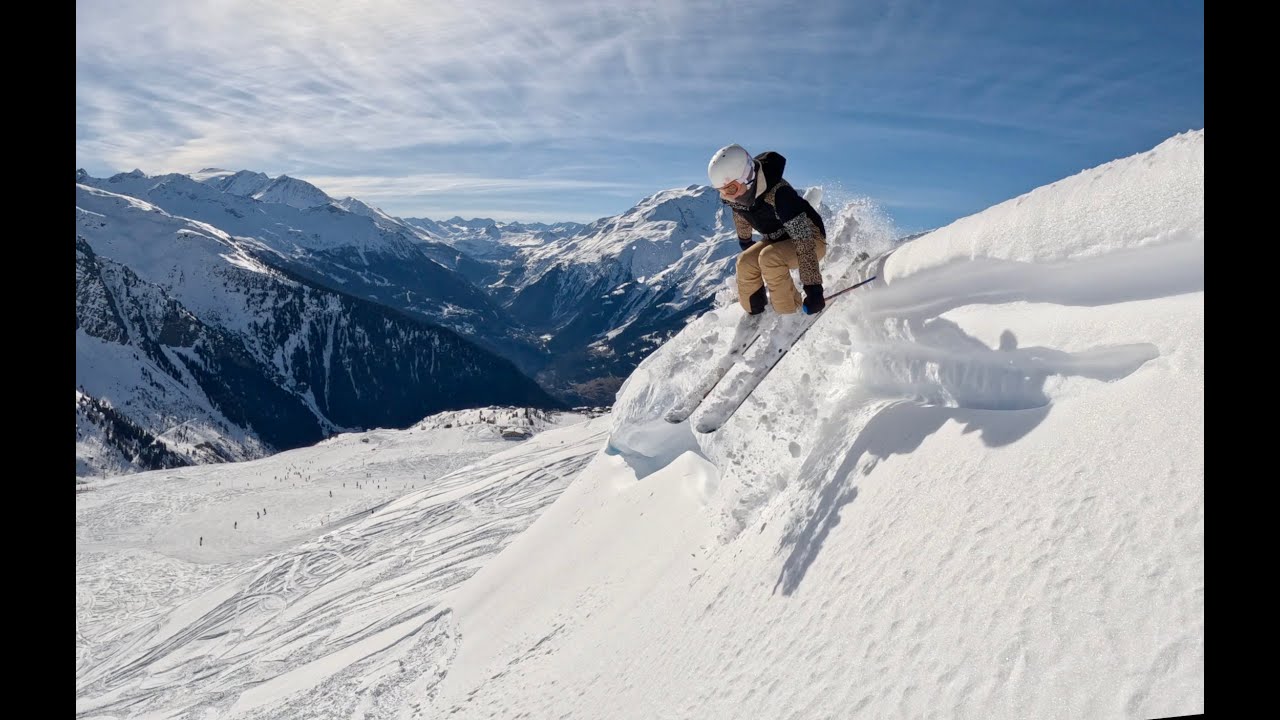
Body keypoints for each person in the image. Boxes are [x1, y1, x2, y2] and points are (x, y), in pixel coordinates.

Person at [707, 144, 827, 315]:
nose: (728, 196)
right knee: (745, 262)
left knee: (769, 258)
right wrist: (745, 241)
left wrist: (814, 291)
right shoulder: (738, 196)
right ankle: (756, 311)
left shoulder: (779, 195)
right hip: (778, 239)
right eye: (721, 191)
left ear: (746, 175)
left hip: (811, 239)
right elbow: (741, 215)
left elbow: (804, 241)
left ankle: (790, 313)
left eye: (731, 188)